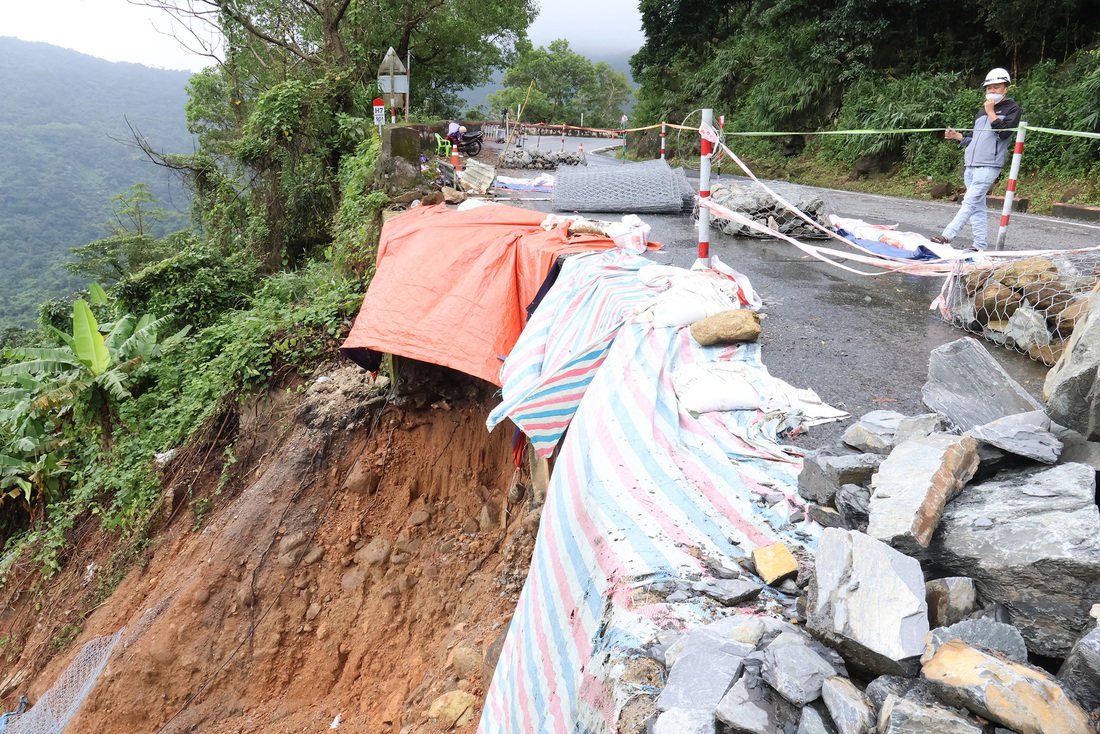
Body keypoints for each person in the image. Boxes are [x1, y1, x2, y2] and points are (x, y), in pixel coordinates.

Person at [930, 68, 1022, 251]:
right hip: (971, 165)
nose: (992, 91)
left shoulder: (1012, 109)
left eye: (997, 87)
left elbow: (1004, 133)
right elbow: (975, 137)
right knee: (977, 208)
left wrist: (991, 112)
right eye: (989, 88)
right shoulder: (982, 111)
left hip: (989, 166)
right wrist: (957, 136)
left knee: (969, 202)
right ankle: (979, 245)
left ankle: (947, 236)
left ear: (1006, 89)